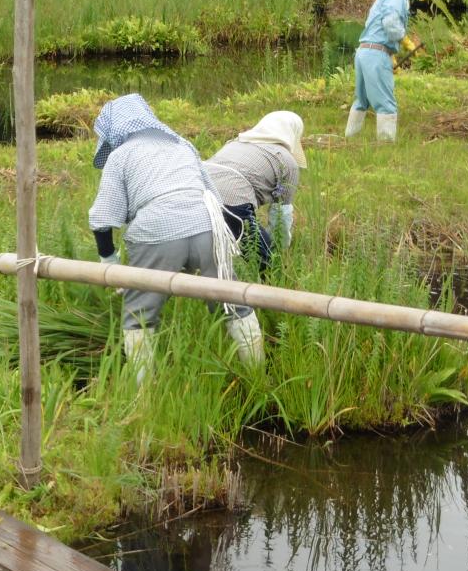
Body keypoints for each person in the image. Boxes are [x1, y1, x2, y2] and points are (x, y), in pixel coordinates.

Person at [88, 94, 265, 379]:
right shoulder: (181, 144)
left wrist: (109, 260)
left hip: (157, 233)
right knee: (231, 302)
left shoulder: (121, 156)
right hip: (206, 226)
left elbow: (103, 217)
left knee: (139, 315)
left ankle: (144, 393)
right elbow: (213, 195)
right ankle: (257, 375)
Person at [204, 110, 306, 275]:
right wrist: (279, 248)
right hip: (232, 200)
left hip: (197, 191)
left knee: (207, 258)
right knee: (270, 268)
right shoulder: (287, 161)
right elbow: (281, 213)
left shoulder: (235, 143)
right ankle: (277, 296)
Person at [345, 0, 420, 143]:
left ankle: (349, 140)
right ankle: (386, 144)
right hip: (376, 54)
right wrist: (406, 41)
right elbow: (391, 23)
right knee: (386, 103)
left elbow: (375, 26)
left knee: (361, 100)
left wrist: (390, 55)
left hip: (365, 51)